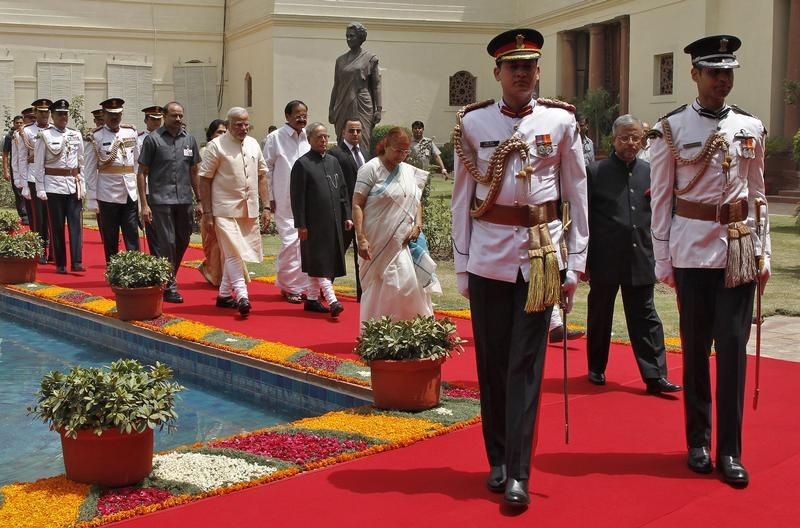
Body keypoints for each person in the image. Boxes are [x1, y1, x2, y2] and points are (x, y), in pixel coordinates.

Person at [451, 29, 588, 508]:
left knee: (526, 364)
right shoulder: (472, 123)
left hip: (542, 257)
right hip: (489, 257)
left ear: (538, 70)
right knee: (491, 361)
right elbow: (461, 200)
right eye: (513, 66)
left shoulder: (561, 121)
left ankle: (520, 474)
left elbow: (576, 192)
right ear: (497, 72)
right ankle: (498, 458)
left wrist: (576, 263)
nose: (522, 73)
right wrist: (463, 267)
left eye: (529, 65)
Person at [650, 35, 771, 487]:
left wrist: (764, 252)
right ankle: (698, 441)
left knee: (734, 352)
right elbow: (661, 198)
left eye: (728, 72)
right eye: (713, 72)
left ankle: (731, 450)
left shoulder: (750, 127)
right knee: (697, 350)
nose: (722, 80)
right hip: (691, 248)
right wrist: (663, 258)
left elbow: (757, 194)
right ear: (695, 74)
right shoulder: (671, 128)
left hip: (738, 248)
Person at [585, 114, 681, 394]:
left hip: (640, 255)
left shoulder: (651, 172)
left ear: (642, 139)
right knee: (600, 314)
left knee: (646, 316)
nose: (630, 143)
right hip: (604, 256)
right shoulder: (595, 172)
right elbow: (586, 218)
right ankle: (596, 368)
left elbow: (664, 213)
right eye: (624, 137)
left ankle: (655, 376)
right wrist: (584, 260)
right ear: (613, 139)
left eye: (635, 137)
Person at [352, 127, 439, 325]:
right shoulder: (371, 168)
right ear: (386, 146)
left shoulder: (408, 171)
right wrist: (361, 238)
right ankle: (378, 332)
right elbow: (357, 204)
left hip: (405, 242)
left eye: (405, 152)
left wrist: (418, 224)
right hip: (377, 241)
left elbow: (416, 200)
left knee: (409, 286)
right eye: (398, 151)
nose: (402, 156)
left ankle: (411, 331)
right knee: (385, 287)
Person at [198, 107, 269, 317]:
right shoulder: (216, 146)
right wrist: (208, 213)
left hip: (249, 209)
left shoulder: (254, 144)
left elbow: (262, 175)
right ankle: (242, 295)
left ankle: (223, 295)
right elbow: (204, 179)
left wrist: (266, 206)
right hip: (223, 209)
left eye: (246, 124)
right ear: (228, 125)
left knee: (237, 252)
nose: (243, 128)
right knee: (233, 252)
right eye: (238, 124)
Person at [137, 101, 201, 303]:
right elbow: (142, 173)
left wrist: (200, 200)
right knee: (168, 242)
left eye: (181, 115)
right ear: (165, 116)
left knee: (183, 240)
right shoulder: (152, 140)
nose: (178, 119)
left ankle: (164, 274)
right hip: (160, 200)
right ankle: (170, 286)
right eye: (174, 115)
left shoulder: (189, 140)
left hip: (184, 200)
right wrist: (144, 204)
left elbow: (194, 171)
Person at [290, 123, 353, 317]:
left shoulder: (333, 161)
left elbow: (342, 191)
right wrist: (300, 224)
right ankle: (333, 301)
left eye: (325, 137)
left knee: (323, 260)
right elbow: (297, 197)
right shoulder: (302, 164)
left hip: (333, 222)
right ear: (309, 139)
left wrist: (347, 216)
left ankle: (311, 299)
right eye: (319, 137)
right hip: (312, 224)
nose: (323, 140)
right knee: (320, 261)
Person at [263, 100, 310, 303]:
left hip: (307, 200)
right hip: (284, 199)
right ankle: (289, 287)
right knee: (291, 242)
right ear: (287, 116)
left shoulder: (308, 137)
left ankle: (301, 285)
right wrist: (270, 198)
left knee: (305, 243)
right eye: (298, 114)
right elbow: (266, 170)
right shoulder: (275, 138)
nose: (302, 118)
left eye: (304, 114)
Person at [30, 99, 85, 274]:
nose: (63, 117)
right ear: (52, 115)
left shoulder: (75, 135)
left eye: (65, 114)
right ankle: (60, 262)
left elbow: (81, 161)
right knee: (57, 226)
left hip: (73, 185)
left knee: (76, 224)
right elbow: (38, 165)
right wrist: (40, 188)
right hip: (53, 186)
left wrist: (81, 182)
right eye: (60, 114)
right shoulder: (44, 135)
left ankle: (76, 261)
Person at [84, 97, 141, 262]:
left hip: (129, 191)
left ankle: (135, 267)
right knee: (110, 235)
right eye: (111, 115)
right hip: (107, 193)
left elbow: (137, 162)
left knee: (132, 233)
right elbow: (89, 169)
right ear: (104, 115)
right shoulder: (95, 136)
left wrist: (138, 188)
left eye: (118, 114)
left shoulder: (130, 132)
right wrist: (92, 199)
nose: (115, 118)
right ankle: (113, 268)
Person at [329, 22, 382, 153]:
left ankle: (362, 168)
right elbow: (336, 85)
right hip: (342, 103)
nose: (348, 39)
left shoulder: (370, 59)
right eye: (347, 36)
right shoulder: (340, 60)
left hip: (362, 102)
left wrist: (378, 109)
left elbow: (376, 85)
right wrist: (331, 109)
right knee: (342, 137)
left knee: (362, 138)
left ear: (360, 37)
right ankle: (343, 167)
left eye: (352, 36)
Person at [328, 117, 363, 301]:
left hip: (364, 213)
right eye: (351, 131)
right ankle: (325, 289)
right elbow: (337, 187)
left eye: (358, 131)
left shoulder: (365, 152)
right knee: (337, 252)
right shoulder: (335, 154)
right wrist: (345, 212)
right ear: (343, 132)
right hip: (345, 213)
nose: (355, 134)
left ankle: (362, 292)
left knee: (363, 254)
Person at [17, 99, 53, 263]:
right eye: (41, 112)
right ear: (35, 113)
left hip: (53, 178)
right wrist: (23, 183)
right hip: (33, 177)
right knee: (39, 217)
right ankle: (41, 250)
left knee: (55, 217)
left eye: (47, 112)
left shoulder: (56, 130)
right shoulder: (26, 132)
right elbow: (21, 160)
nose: (44, 115)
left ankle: (54, 250)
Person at [198, 118, 228, 287]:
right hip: (210, 202)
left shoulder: (230, 150)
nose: (222, 135)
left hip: (227, 202)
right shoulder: (205, 151)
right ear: (211, 135)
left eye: (225, 132)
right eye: (219, 132)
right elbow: (201, 178)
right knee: (211, 240)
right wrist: (201, 202)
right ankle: (213, 273)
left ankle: (223, 276)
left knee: (226, 242)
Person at [3, 114, 28, 225]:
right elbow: (5, 154)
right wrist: (6, 171)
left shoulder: (28, 134)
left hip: (27, 167)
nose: (19, 125)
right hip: (15, 168)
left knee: (28, 191)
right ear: (13, 124)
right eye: (17, 123)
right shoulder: (10, 136)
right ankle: (23, 215)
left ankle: (30, 213)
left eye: (21, 123)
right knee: (18, 192)